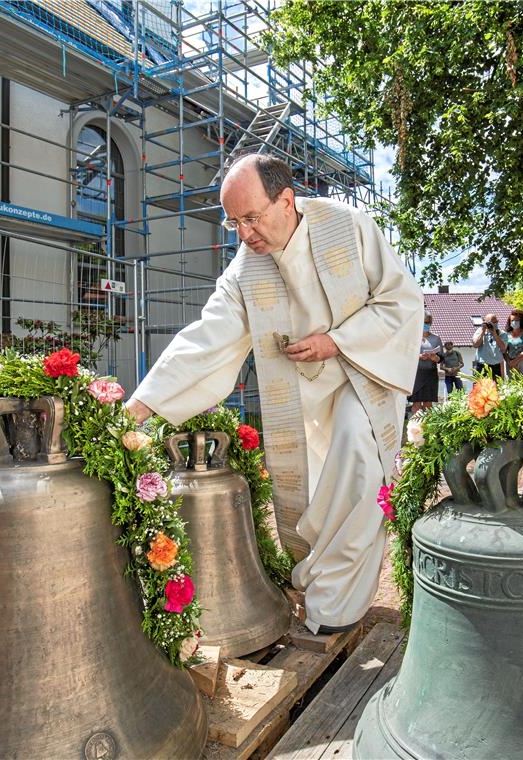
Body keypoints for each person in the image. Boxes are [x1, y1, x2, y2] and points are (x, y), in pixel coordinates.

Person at [125, 154, 422, 635]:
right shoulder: (247, 270)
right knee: (313, 496)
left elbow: (400, 300)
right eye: (234, 222)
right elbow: (206, 339)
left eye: (251, 217)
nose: (244, 233)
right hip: (301, 398)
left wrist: (335, 342)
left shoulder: (349, 227)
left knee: (357, 458)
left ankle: (334, 607)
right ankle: (314, 579)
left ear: (286, 200)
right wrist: (141, 407)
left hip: (364, 374)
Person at [409, 313, 443, 412]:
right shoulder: (413, 337)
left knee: (428, 404)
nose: (425, 324)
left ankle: (428, 427)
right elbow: (407, 355)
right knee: (416, 403)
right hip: (416, 374)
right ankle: (415, 426)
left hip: (431, 373)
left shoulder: (436, 338)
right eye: (423, 322)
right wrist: (418, 357)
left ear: (431, 323)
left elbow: (441, 358)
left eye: (427, 322)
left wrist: (435, 358)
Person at [471, 312, 507, 377]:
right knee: (481, 386)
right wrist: (483, 332)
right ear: (486, 323)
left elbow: (503, 348)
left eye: (495, 322)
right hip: (482, 365)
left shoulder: (502, 334)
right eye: (491, 323)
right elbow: (475, 344)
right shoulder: (480, 331)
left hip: (496, 366)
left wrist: (495, 334)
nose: (494, 324)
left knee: (495, 387)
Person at [502, 309, 523, 379]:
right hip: (510, 364)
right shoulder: (506, 335)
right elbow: (504, 351)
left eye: (517, 320)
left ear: (521, 321)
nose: (514, 322)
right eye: (512, 320)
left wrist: (516, 361)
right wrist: (509, 362)